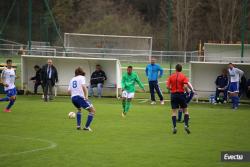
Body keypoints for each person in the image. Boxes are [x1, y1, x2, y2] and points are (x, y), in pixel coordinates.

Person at [68, 67, 95, 131]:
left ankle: (78, 126)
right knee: (92, 111)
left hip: (73, 98)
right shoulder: (82, 77)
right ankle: (86, 127)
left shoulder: (72, 79)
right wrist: (86, 96)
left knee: (79, 109)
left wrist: (73, 96)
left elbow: (69, 91)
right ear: (81, 72)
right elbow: (84, 86)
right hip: (79, 97)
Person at [167, 64, 191, 134]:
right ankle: (186, 125)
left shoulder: (171, 76)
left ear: (175, 69)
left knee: (174, 112)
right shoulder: (183, 76)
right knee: (186, 111)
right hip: (181, 95)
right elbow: (185, 86)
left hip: (174, 95)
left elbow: (168, 87)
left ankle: (174, 127)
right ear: (181, 69)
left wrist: (172, 89)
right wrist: (188, 92)